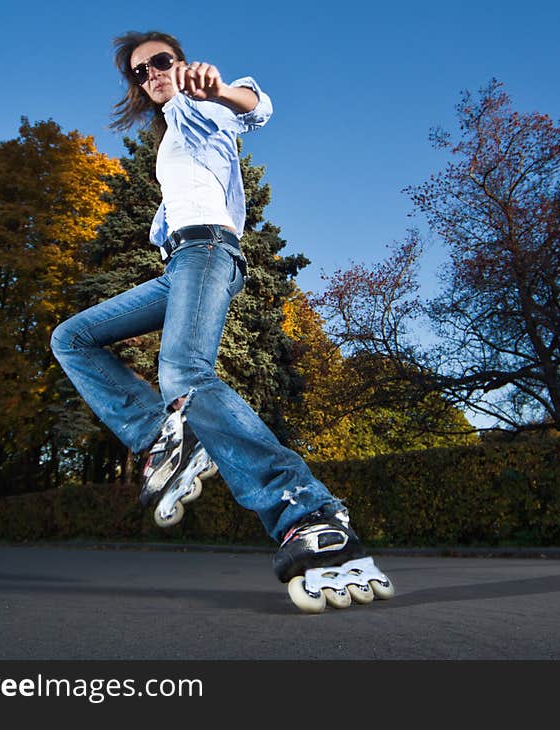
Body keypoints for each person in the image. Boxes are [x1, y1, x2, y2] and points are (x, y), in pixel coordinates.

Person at [50, 31, 393, 612]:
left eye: (161, 62)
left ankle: (306, 512)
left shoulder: (204, 108)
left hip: (208, 251)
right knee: (72, 336)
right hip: (179, 262)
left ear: (180, 64)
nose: (152, 74)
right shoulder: (170, 136)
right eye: (140, 73)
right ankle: (164, 437)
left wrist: (220, 89)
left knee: (185, 371)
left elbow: (257, 109)